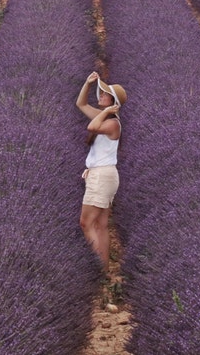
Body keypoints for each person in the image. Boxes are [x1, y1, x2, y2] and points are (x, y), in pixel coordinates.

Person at [75, 71, 126, 268]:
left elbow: (91, 128)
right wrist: (87, 83)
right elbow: (80, 104)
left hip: (102, 176)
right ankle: (104, 269)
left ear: (112, 102)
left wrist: (105, 112)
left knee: (86, 223)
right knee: (100, 225)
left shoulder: (112, 123)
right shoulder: (105, 118)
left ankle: (96, 268)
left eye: (104, 94)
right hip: (104, 175)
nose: (100, 96)